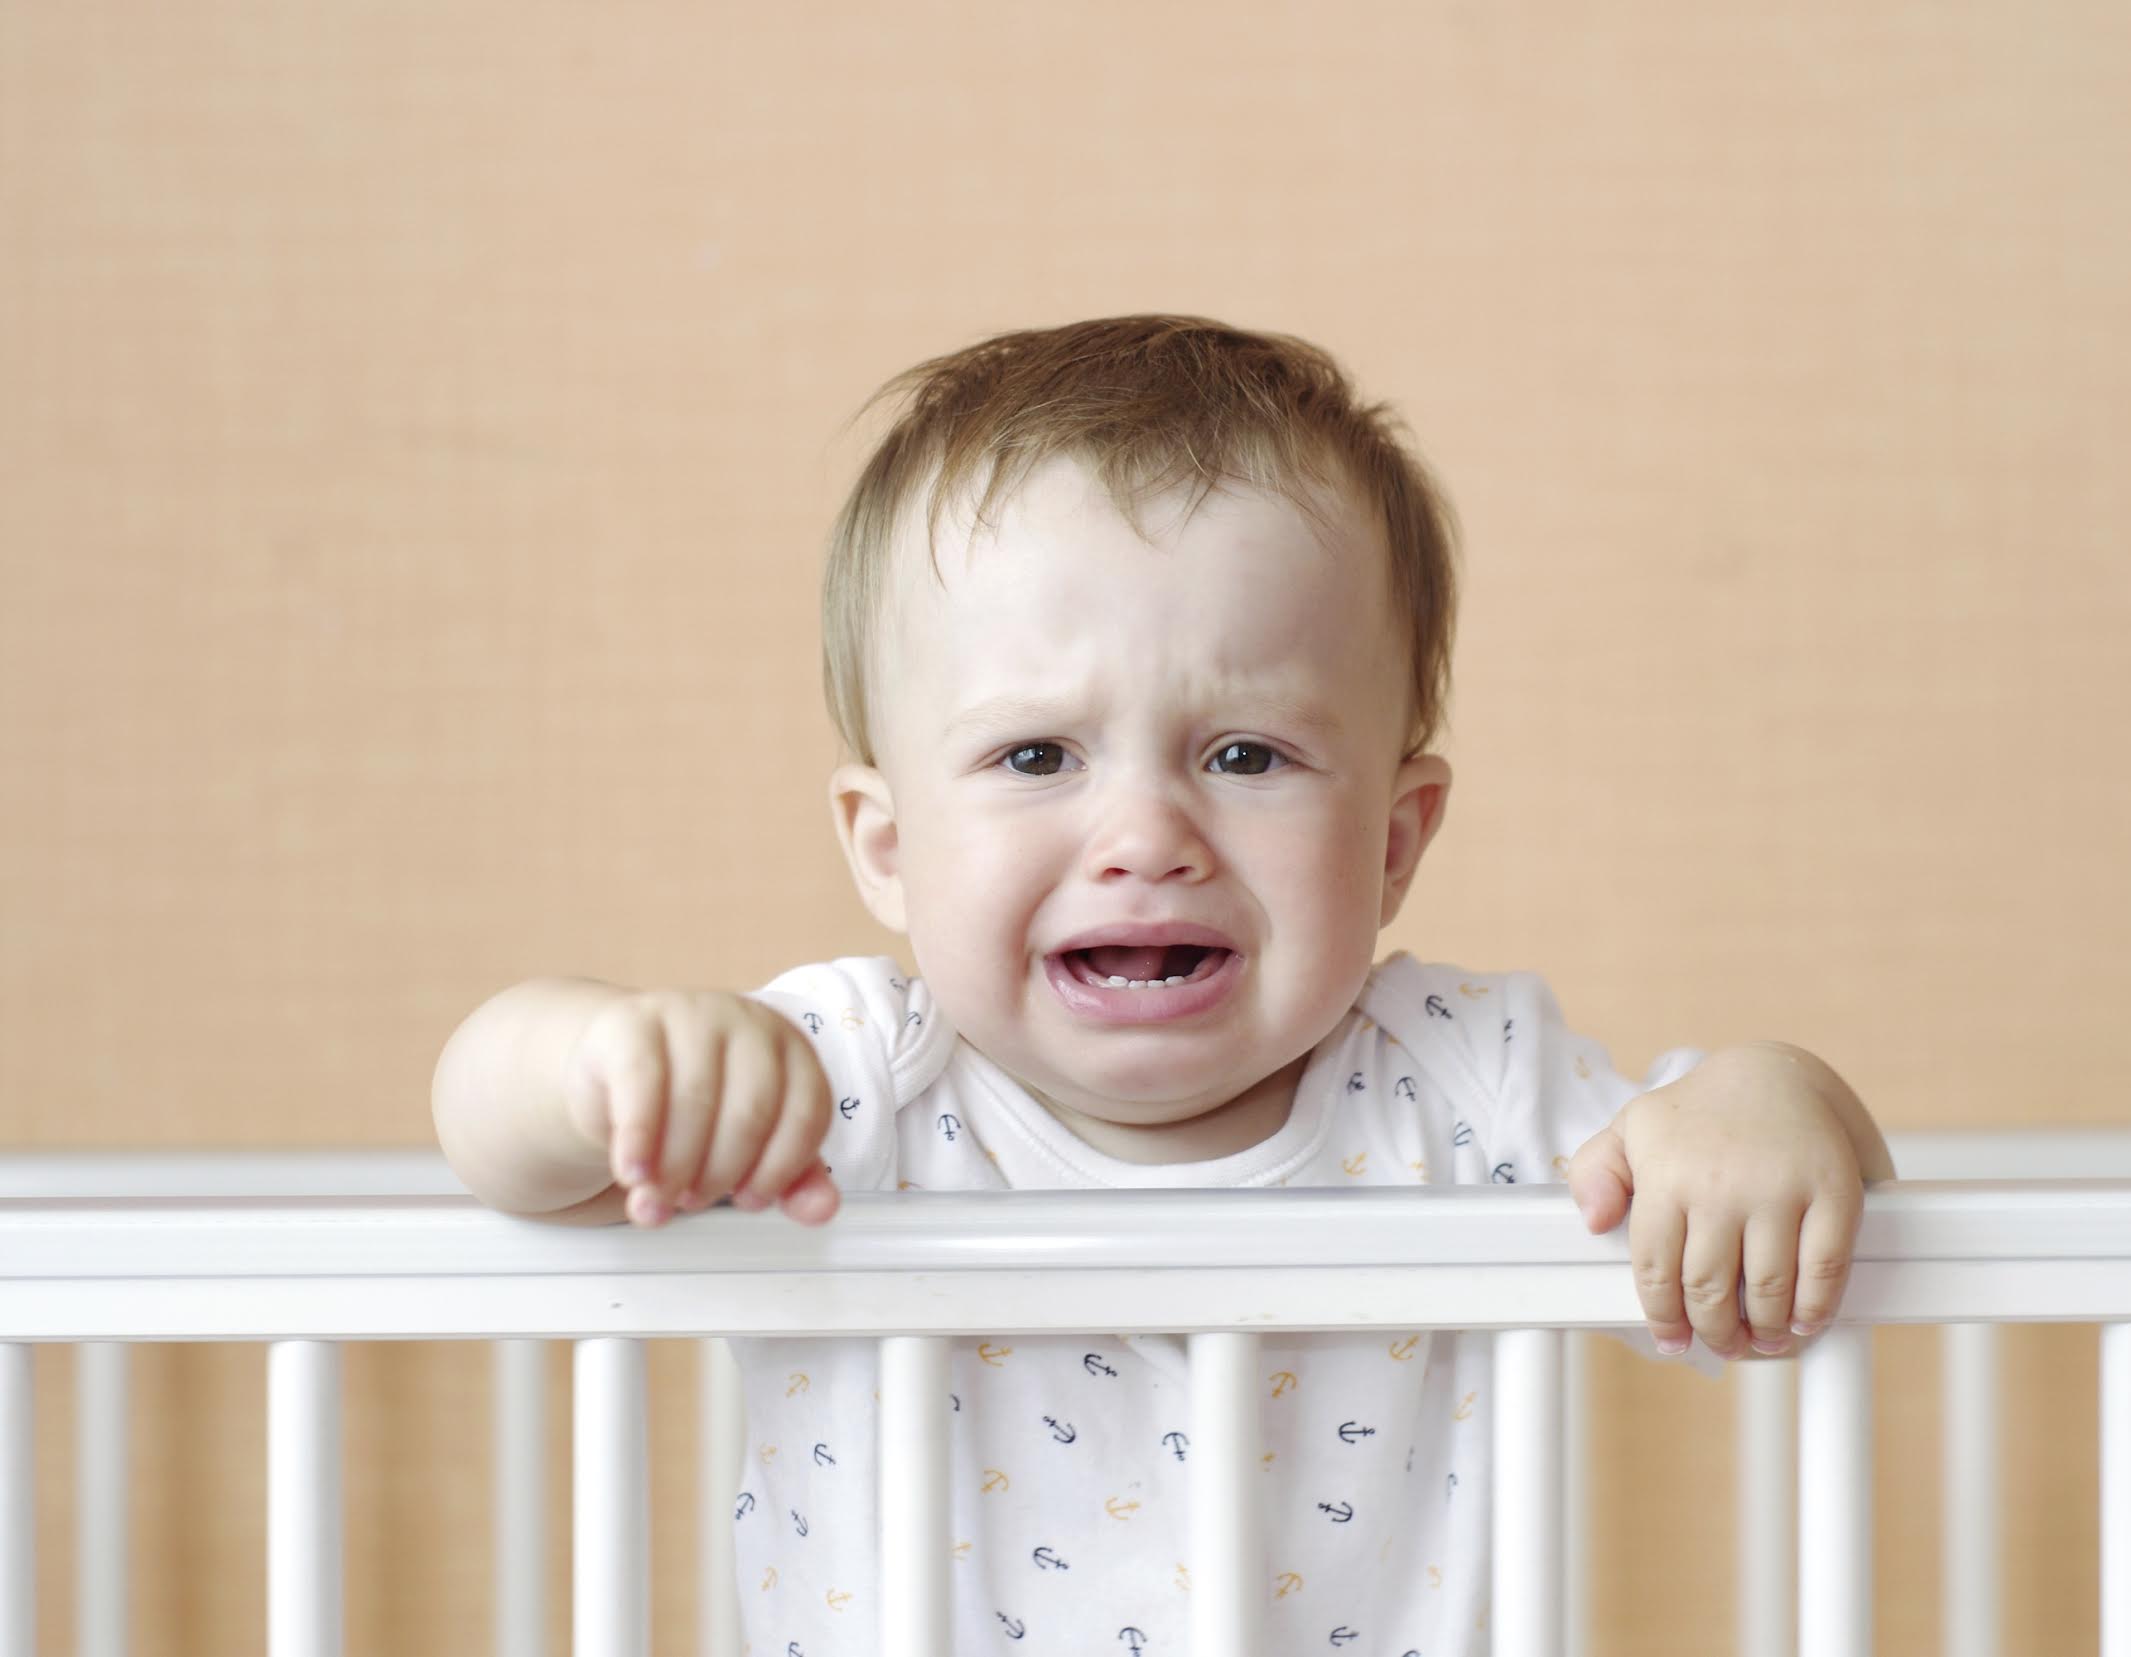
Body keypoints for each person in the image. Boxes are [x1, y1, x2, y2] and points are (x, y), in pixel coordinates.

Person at [431, 314, 1895, 1653]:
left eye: (1243, 754)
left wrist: (1770, 1093)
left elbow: (1752, 1201)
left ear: (1392, 843)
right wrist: (608, 1060)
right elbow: (492, 1132)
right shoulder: (851, 1080)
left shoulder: (1466, 1081)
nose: (1143, 838)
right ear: (886, 848)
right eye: (1035, 756)